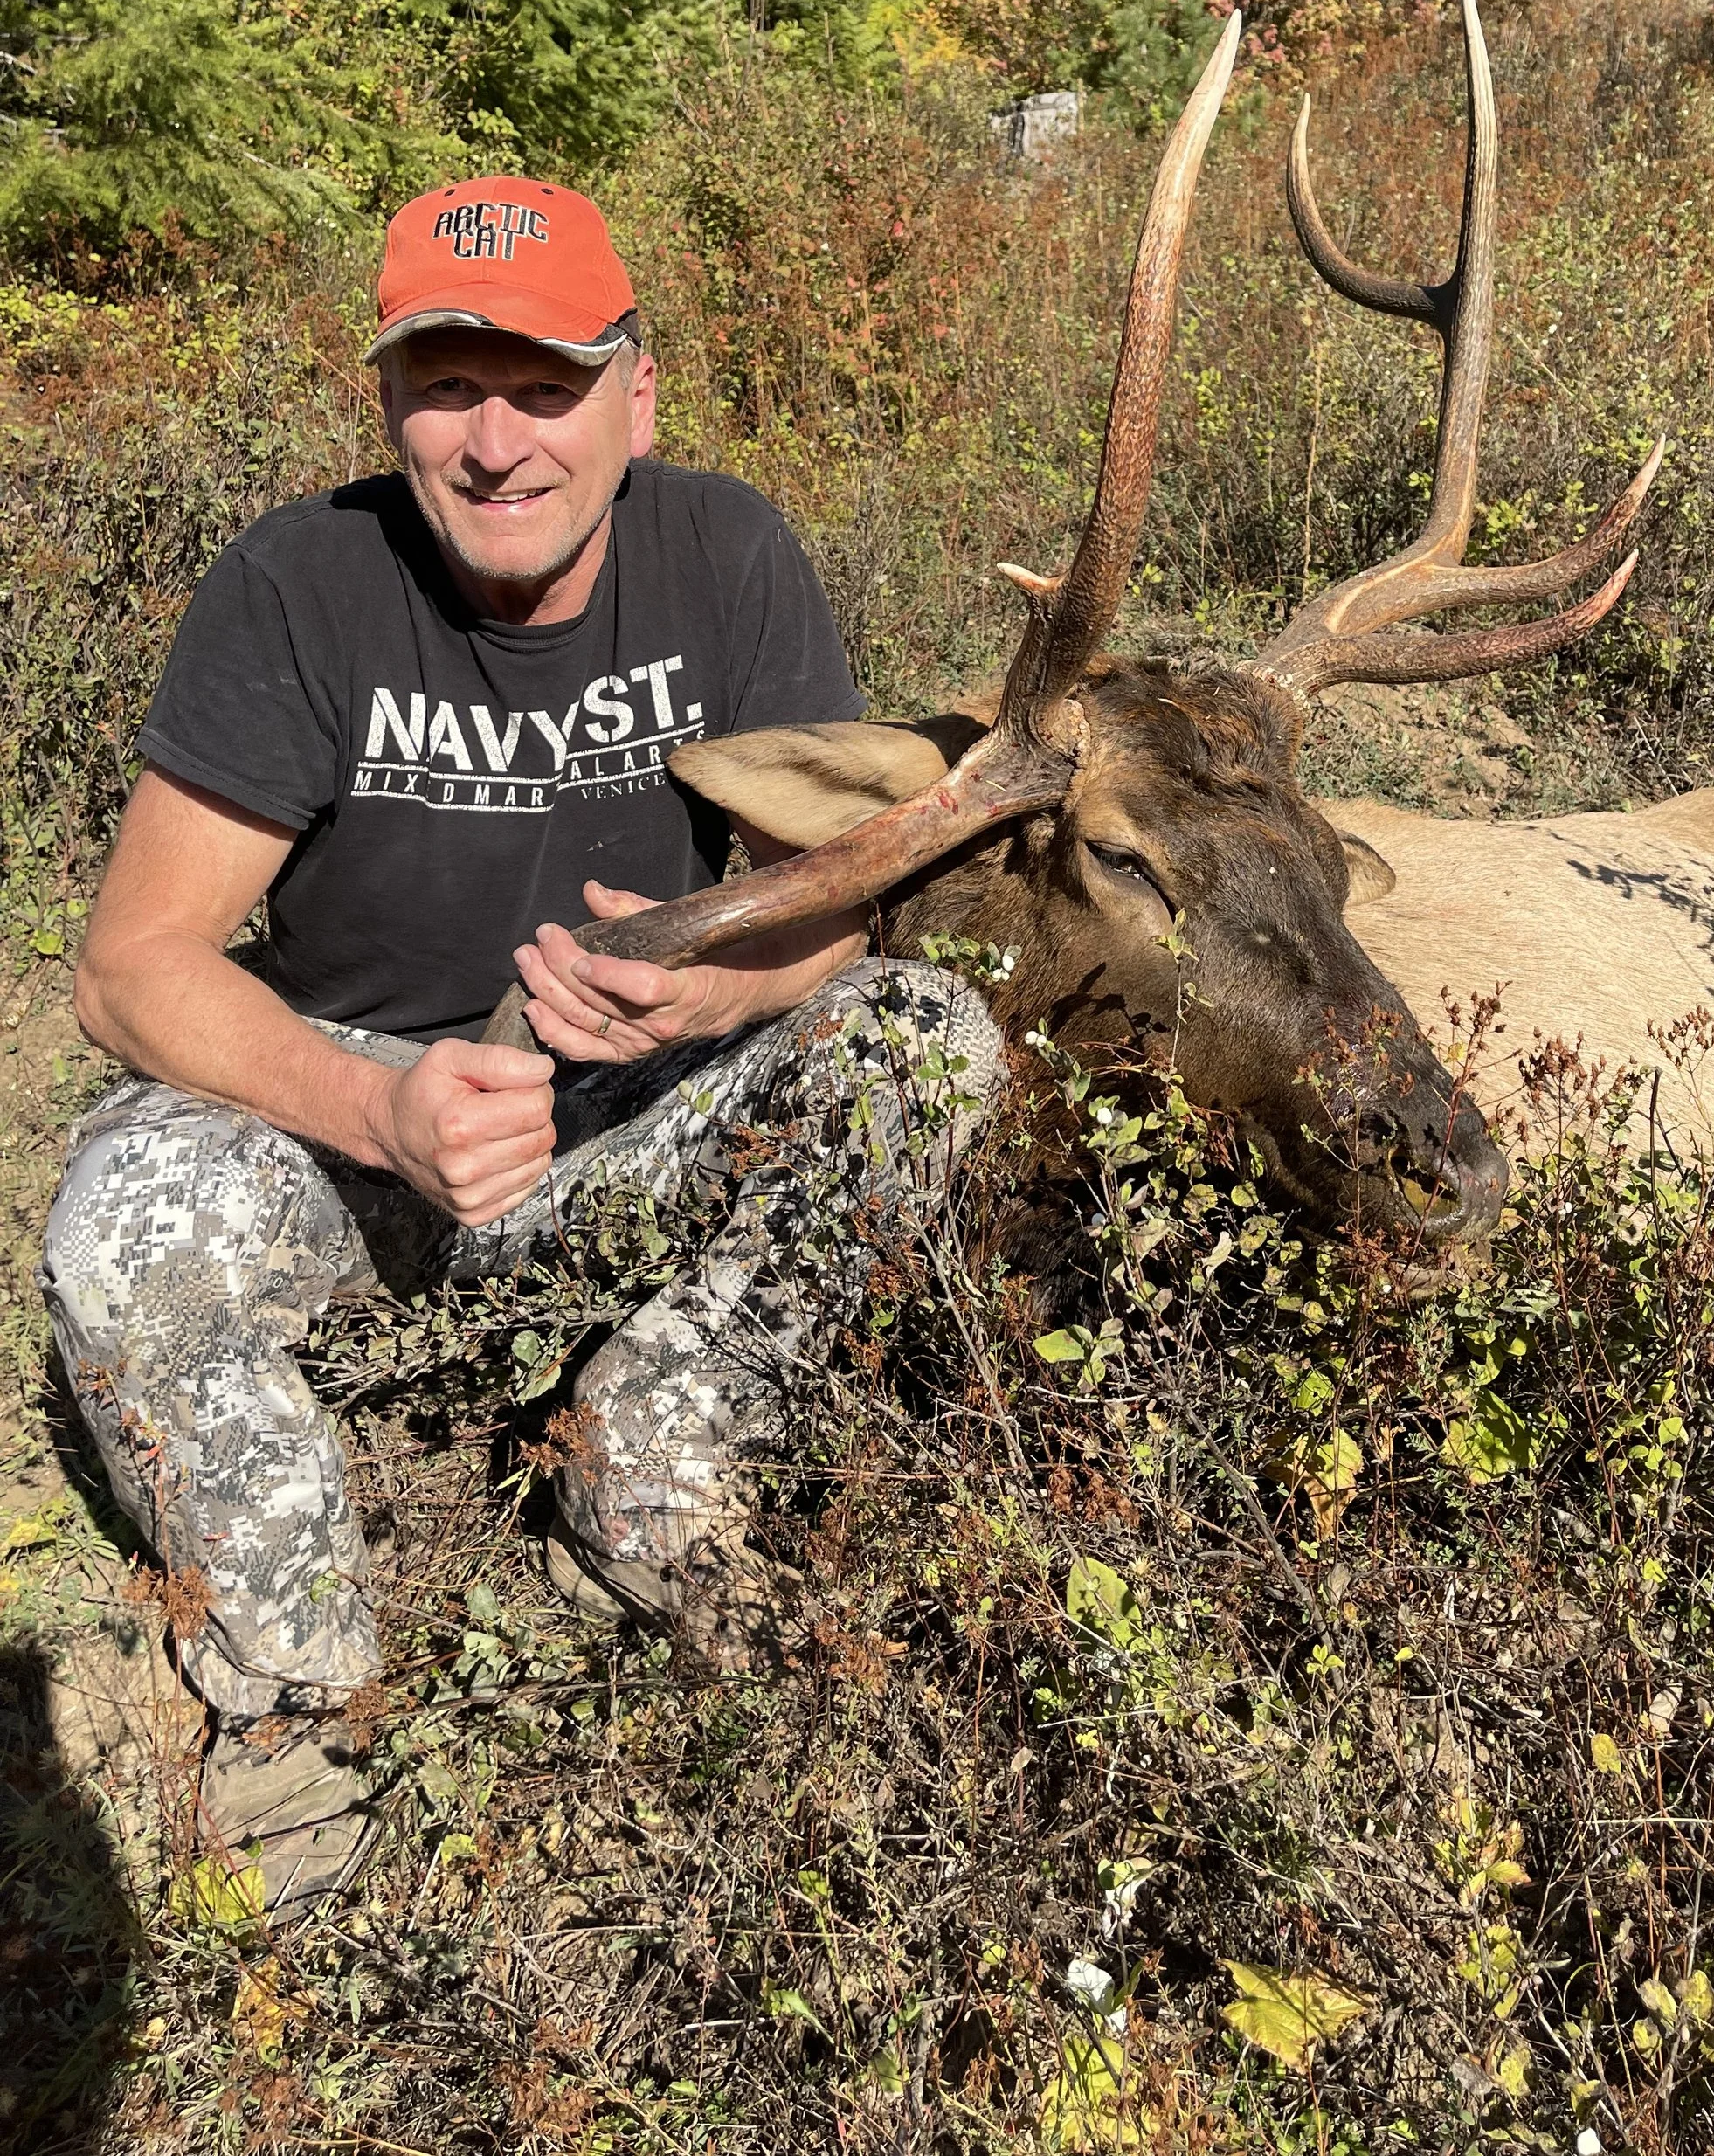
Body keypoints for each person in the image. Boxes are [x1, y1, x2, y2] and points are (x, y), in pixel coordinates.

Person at [39, 176, 1002, 1914]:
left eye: (544, 383)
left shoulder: (731, 555)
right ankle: (294, 1692)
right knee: (123, 1218)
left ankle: (652, 1461)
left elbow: (840, 915)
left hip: (639, 1116)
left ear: (637, 394)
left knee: (925, 1035)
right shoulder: (296, 585)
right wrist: (373, 1106)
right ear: (386, 397)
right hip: (364, 1137)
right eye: (446, 381)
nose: (495, 441)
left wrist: (710, 995)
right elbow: (130, 967)